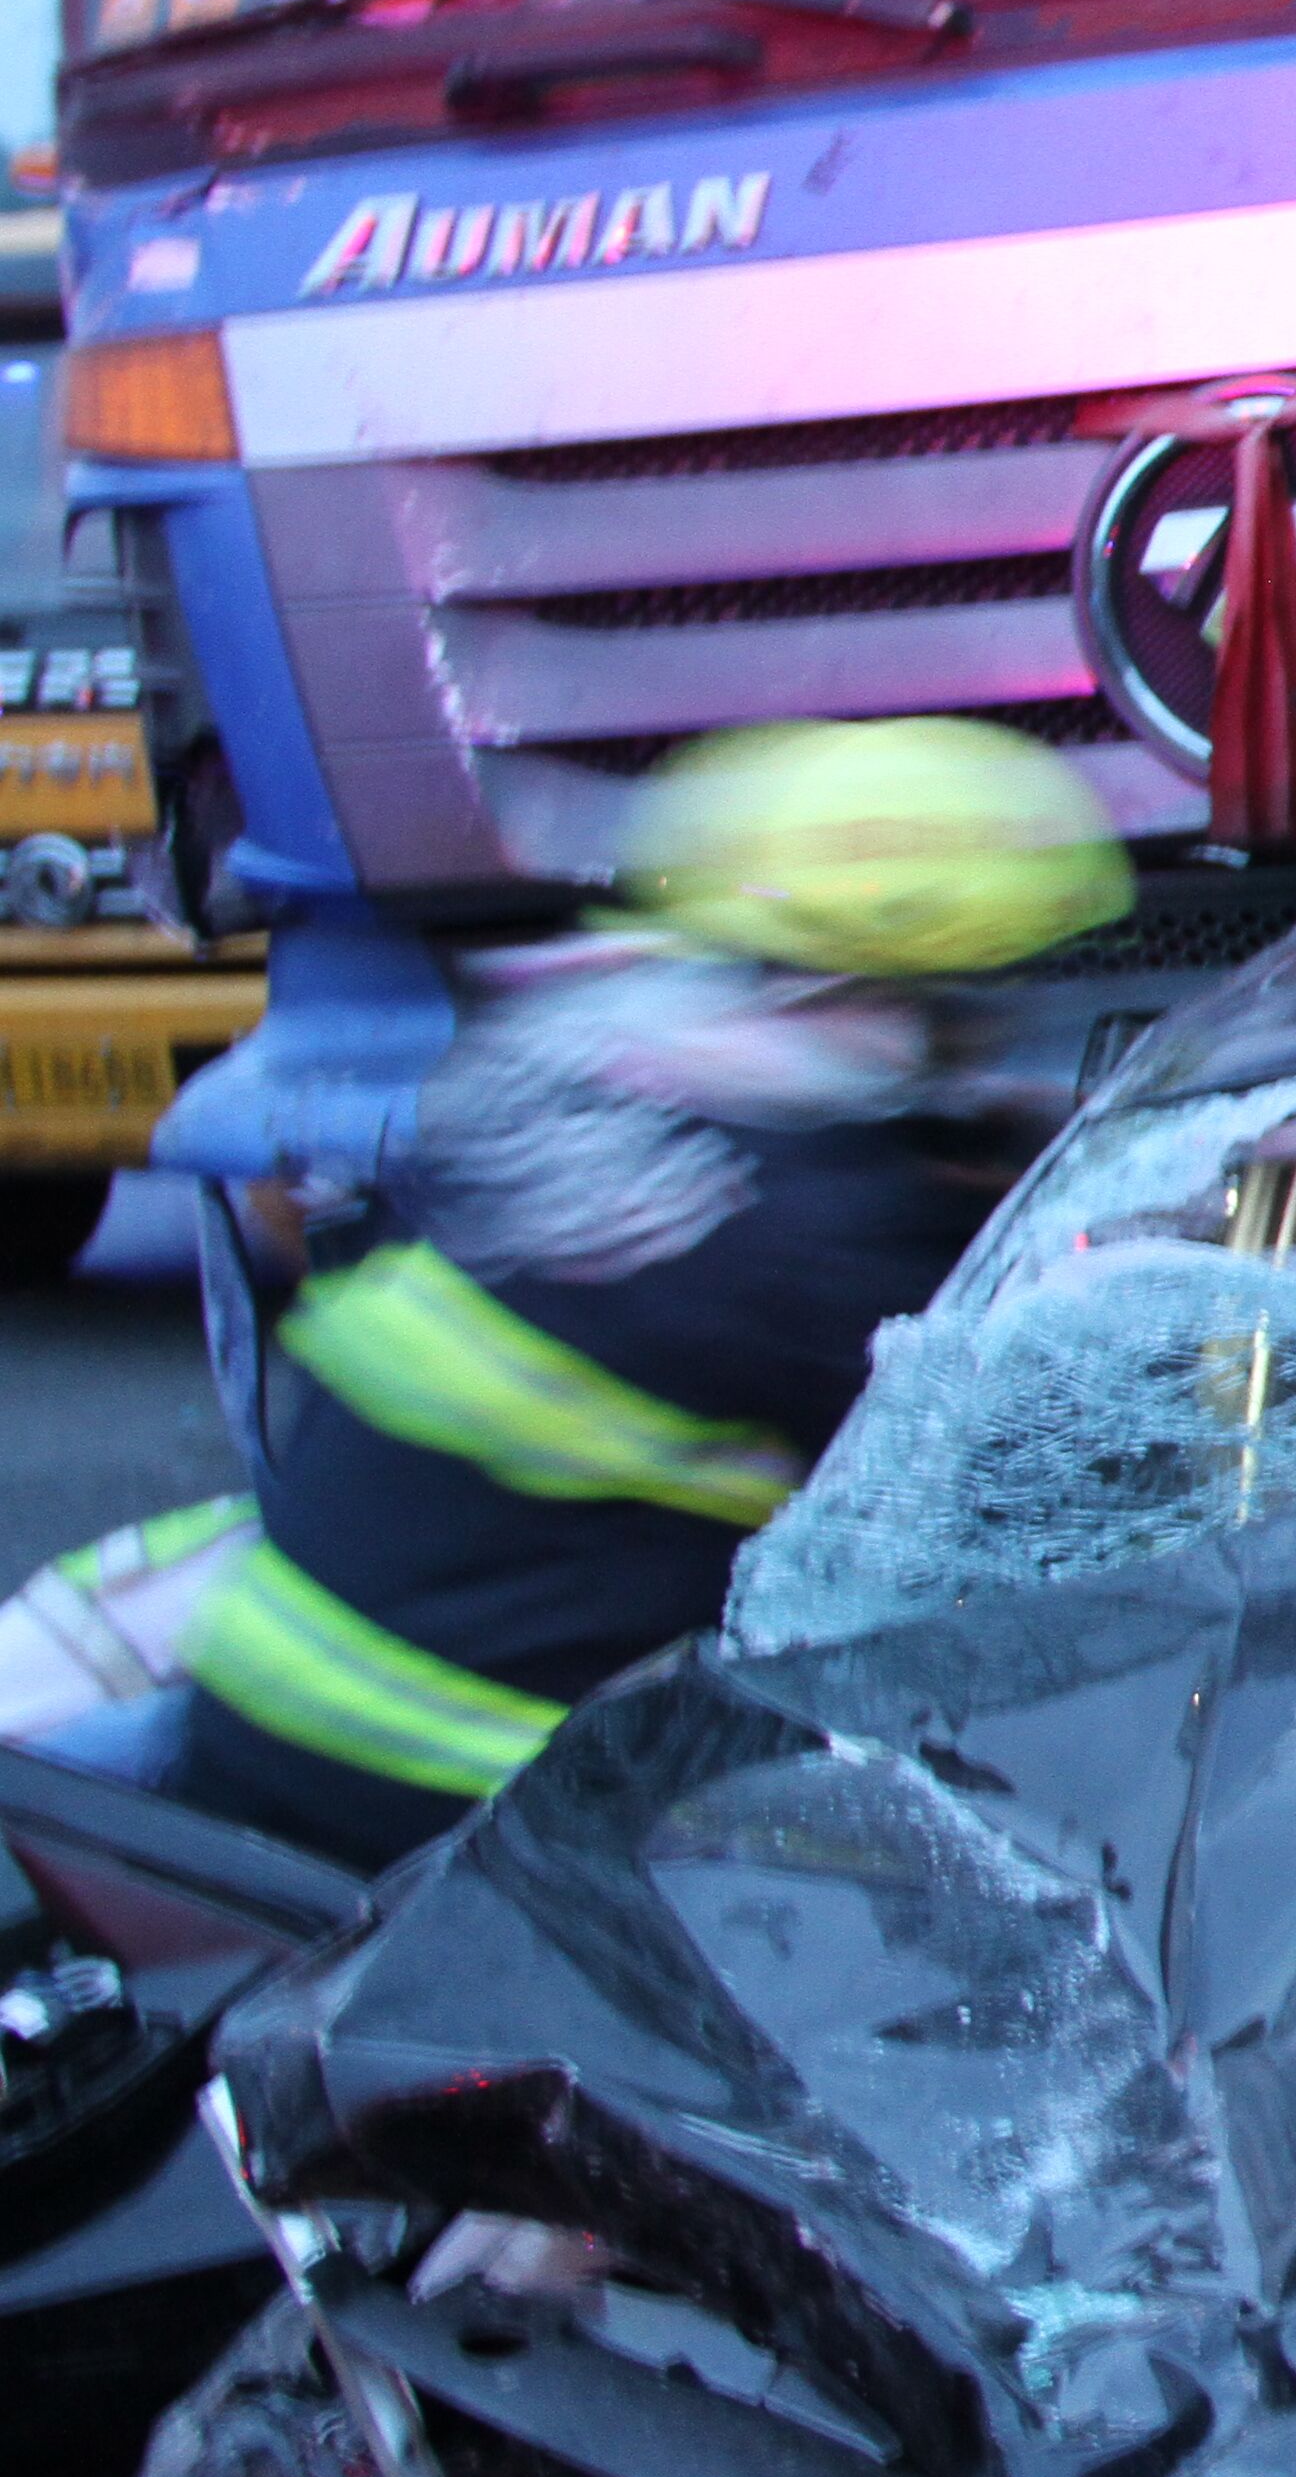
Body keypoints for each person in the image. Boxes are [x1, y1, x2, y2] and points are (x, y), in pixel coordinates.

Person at [20, 719, 1127, 1866]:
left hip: (255, 1723)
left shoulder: (554, 1062)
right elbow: (1039, 1499)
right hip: (472, 1826)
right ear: (918, 995)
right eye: (987, 998)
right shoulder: (827, 1238)